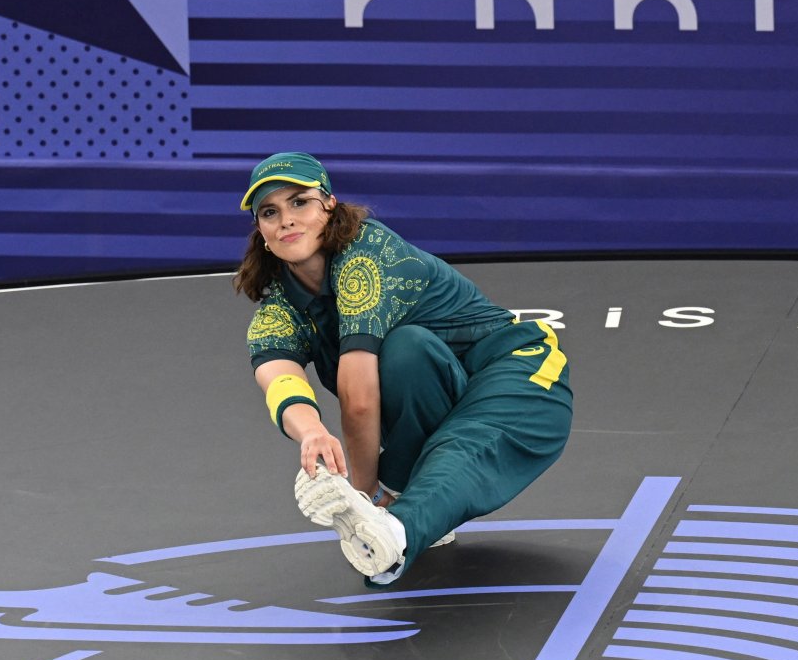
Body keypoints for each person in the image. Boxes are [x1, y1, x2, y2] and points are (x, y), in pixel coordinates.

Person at [233, 152, 572, 585]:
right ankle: (413, 512)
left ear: (329, 205)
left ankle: (394, 531)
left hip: (517, 369)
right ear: (261, 231)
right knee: (407, 353)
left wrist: (364, 496)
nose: (286, 220)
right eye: (269, 212)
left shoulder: (367, 255)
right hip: (442, 387)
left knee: (460, 435)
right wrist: (312, 432)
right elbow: (279, 379)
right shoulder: (278, 310)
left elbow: (358, 402)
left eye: (299, 202)